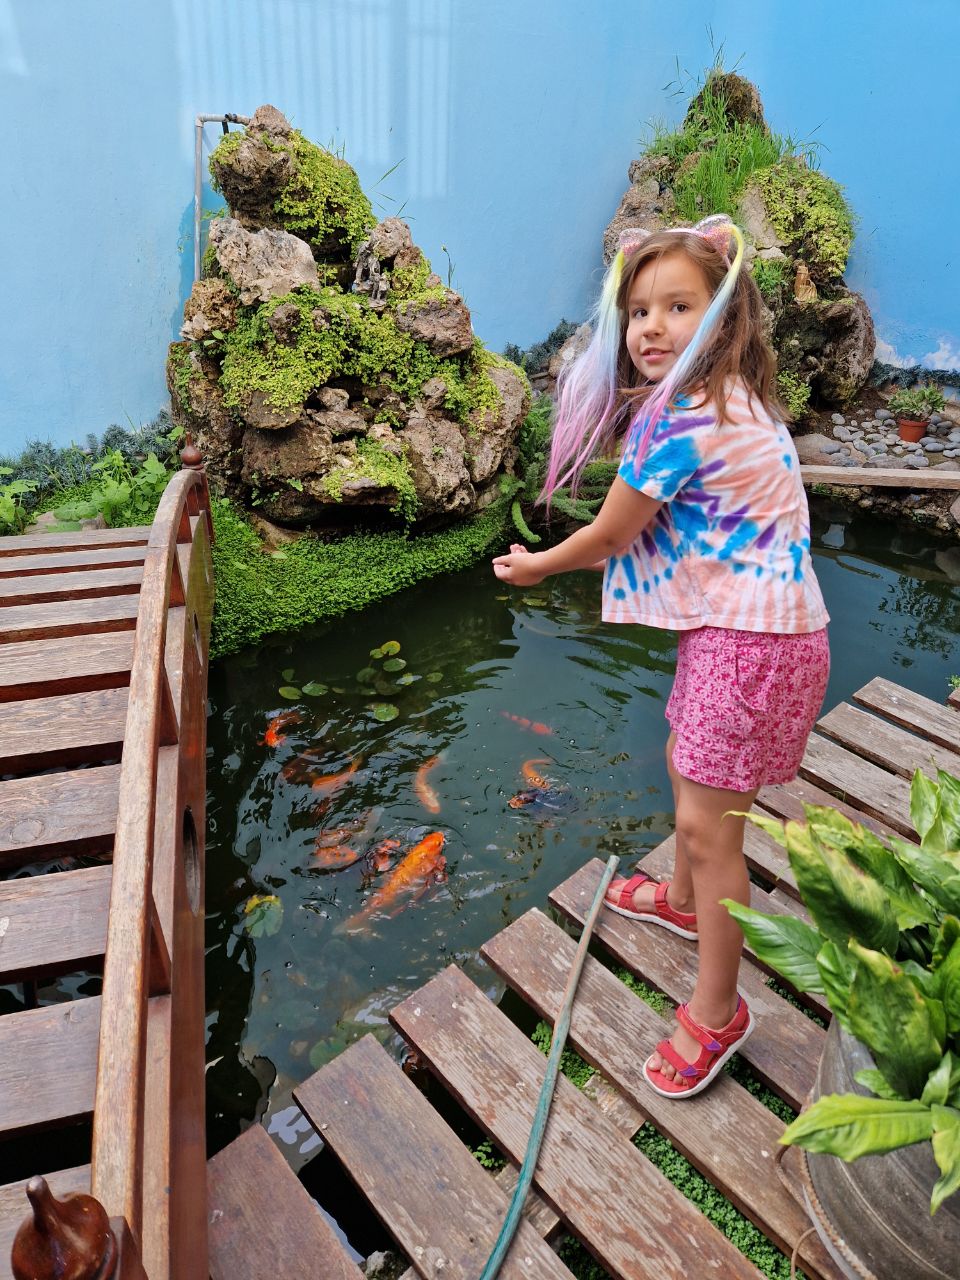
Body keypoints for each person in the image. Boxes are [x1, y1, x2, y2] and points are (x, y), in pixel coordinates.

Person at [492, 215, 829, 1099]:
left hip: (751, 645)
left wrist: (537, 565)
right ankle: (682, 903)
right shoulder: (736, 395)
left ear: (722, 315)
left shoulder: (680, 420)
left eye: (678, 306)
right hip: (758, 634)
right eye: (638, 310)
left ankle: (718, 1012)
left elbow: (610, 536)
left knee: (711, 834)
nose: (650, 327)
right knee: (688, 770)